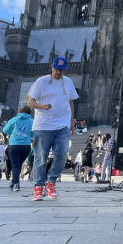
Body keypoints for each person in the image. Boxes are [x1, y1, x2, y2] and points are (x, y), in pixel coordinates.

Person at [27, 56, 78, 201]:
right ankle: (38, 187)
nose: (59, 72)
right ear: (52, 67)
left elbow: (70, 102)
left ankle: (51, 182)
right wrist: (41, 106)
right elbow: (30, 102)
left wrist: (71, 122)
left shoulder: (68, 82)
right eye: (57, 69)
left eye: (62, 70)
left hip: (62, 125)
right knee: (41, 157)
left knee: (62, 154)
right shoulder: (41, 81)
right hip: (43, 125)